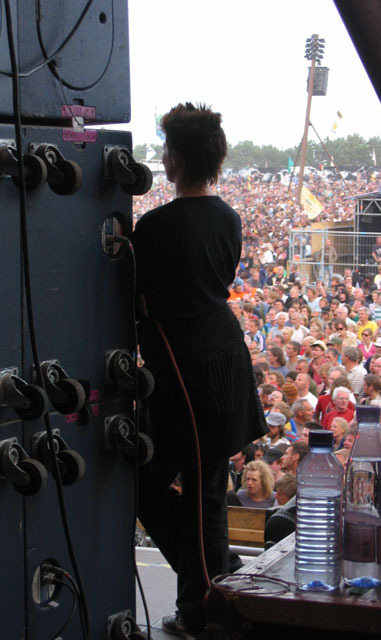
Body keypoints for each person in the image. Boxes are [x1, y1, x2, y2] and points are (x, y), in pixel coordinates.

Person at [132, 103, 266, 636]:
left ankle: (203, 608)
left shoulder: (155, 227)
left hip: (185, 367)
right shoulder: (229, 218)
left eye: (166, 148)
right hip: (223, 356)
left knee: (166, 489)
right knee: (202, 491)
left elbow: (137, 299)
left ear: (178, 160)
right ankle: (210, 584)